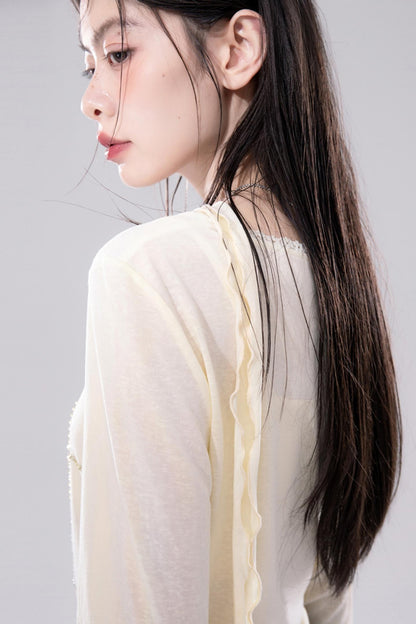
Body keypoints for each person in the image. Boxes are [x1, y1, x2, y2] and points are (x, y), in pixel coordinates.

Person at [66, 1, 402, 622]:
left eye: (118, 53)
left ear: (238, 48)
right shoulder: (336, 282)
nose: (91, 99)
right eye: (89, 65)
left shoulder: (147, 272)